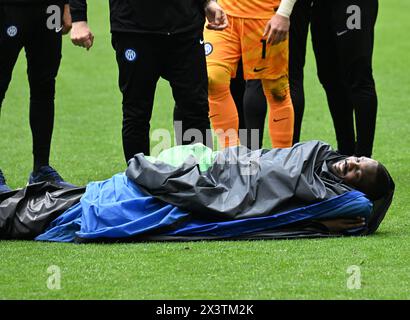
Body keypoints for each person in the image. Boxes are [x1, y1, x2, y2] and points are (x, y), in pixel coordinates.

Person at [0, 140, 395, 241]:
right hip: (222, 163)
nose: (354, 164)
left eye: (360, 172)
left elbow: (362, 210)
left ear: (355, 185)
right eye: (360, 159)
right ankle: (19, 200)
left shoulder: (335, 197)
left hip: (223, 188)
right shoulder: (321, 155)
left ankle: (15, 207)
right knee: (119, 188)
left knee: (117, 198)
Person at [69, 0, 228, 163]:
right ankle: (139, 181)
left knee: (195, 106)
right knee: (137, 112)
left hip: (186, 26)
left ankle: (196, 178)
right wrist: (78, 18)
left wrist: (207, 2)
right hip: (134, 29)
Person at [0, 0, 74, 194]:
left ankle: (41, 169)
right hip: (8, 7)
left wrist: (66, 5)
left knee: (45, 87)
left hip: (50, 9)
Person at [204, 0, 297, 150]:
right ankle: (232, 156)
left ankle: (283, 162)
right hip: (223, 13)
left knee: (277, 91)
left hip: (265, 16)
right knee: (213, 79)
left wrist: (283, 13)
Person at [311, 0, 379, 157]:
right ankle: (345, 151)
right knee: (329, 77)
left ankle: (363, 158)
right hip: (318, 6)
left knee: (358, 76)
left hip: (352, 4)